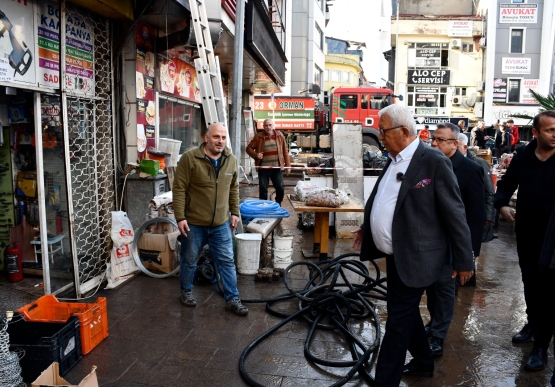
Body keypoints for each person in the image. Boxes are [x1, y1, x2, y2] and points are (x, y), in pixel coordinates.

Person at [351, 104, 474, 386]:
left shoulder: (433, 161)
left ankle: (386, 381)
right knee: (403, 311)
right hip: (396, 254)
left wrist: (464, 260)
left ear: (404, 131)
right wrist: (368, 225)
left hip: (420, 256)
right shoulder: (393, 158)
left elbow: (455, 214)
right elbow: (384, 199)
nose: (380, 137)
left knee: (397, 322)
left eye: (383, 131)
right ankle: (423, 361)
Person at [494, 110, 555, 371]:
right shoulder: (523, 157)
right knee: (530, 281)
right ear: (537, 132)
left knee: (550, 290)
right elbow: (505, 185)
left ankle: (541, 346)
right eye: (551, 130)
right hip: (527, 232)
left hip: (554, 238)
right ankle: (532, 322)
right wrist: (502, 206)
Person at [173, 123, 248, 316]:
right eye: (216, 137)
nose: (220, 141)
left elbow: (233, 188)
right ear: (207, 138)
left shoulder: (231, 160)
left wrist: (234, 212)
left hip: (221, 223)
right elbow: (179, 188)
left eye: (223, 137)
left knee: (227, 261)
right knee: (189, 259)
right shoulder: (190, 158)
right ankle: (186, 291)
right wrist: (180, 217)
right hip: (194, 223)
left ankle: (232, 298)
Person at [425, 123, 485, 356]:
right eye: (433, 139)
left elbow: (475, 213)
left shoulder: (470, 169)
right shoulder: (428, 164)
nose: (434, 143)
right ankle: (433, 322)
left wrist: (470, 251)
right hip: (430, 238)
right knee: (430, 285)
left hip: (455, 241)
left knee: (446, 287)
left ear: (454, 144)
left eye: (440, 140)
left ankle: (438, 336)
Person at [458, 133, 496, 243]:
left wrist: (488, 216)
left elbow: (489, 191)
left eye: (457, 146)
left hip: (472, 215)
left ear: (465, 147)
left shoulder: (478, 163)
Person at [246, 118, 291, 205]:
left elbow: (285, 151)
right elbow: (248, 149)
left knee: (280, 187)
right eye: (266, 125)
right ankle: (264, 205)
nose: (268, 127)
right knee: (263, 189)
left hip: (277, 168)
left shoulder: (279, 135)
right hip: (263, 168)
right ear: (263, 127)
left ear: (273, 126)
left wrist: (288, 166)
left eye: (270, 125)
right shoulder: (258, 136)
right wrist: (256, 155)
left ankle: (278, 203)